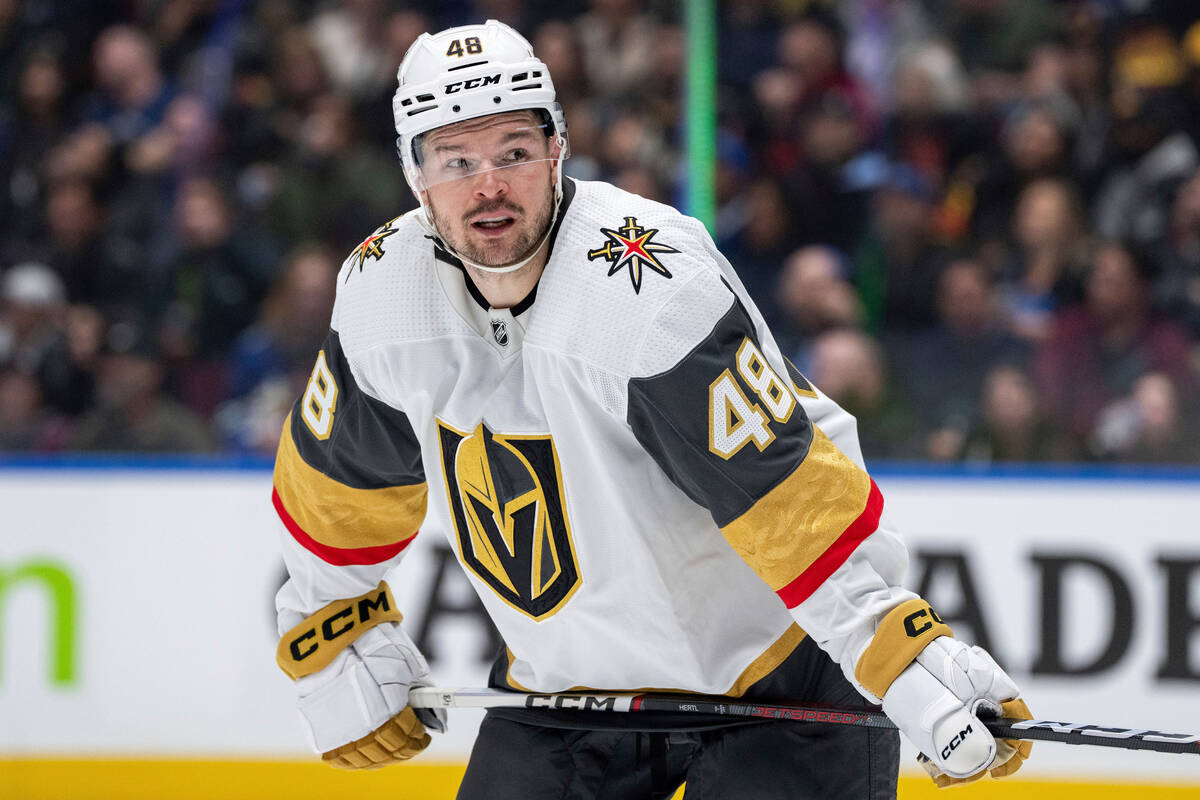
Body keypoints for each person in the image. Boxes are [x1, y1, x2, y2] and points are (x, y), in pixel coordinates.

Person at [270, 21, 1032, 799]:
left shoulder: (640, 284)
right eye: (456, 161)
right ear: (415, 175)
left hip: (774, 680)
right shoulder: (381, 293)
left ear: (557, 149)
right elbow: (337, 486)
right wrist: (330, 623)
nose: (488, 185)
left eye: (513, 152)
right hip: (562, 693)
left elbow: (779, 489)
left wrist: (892, 644)